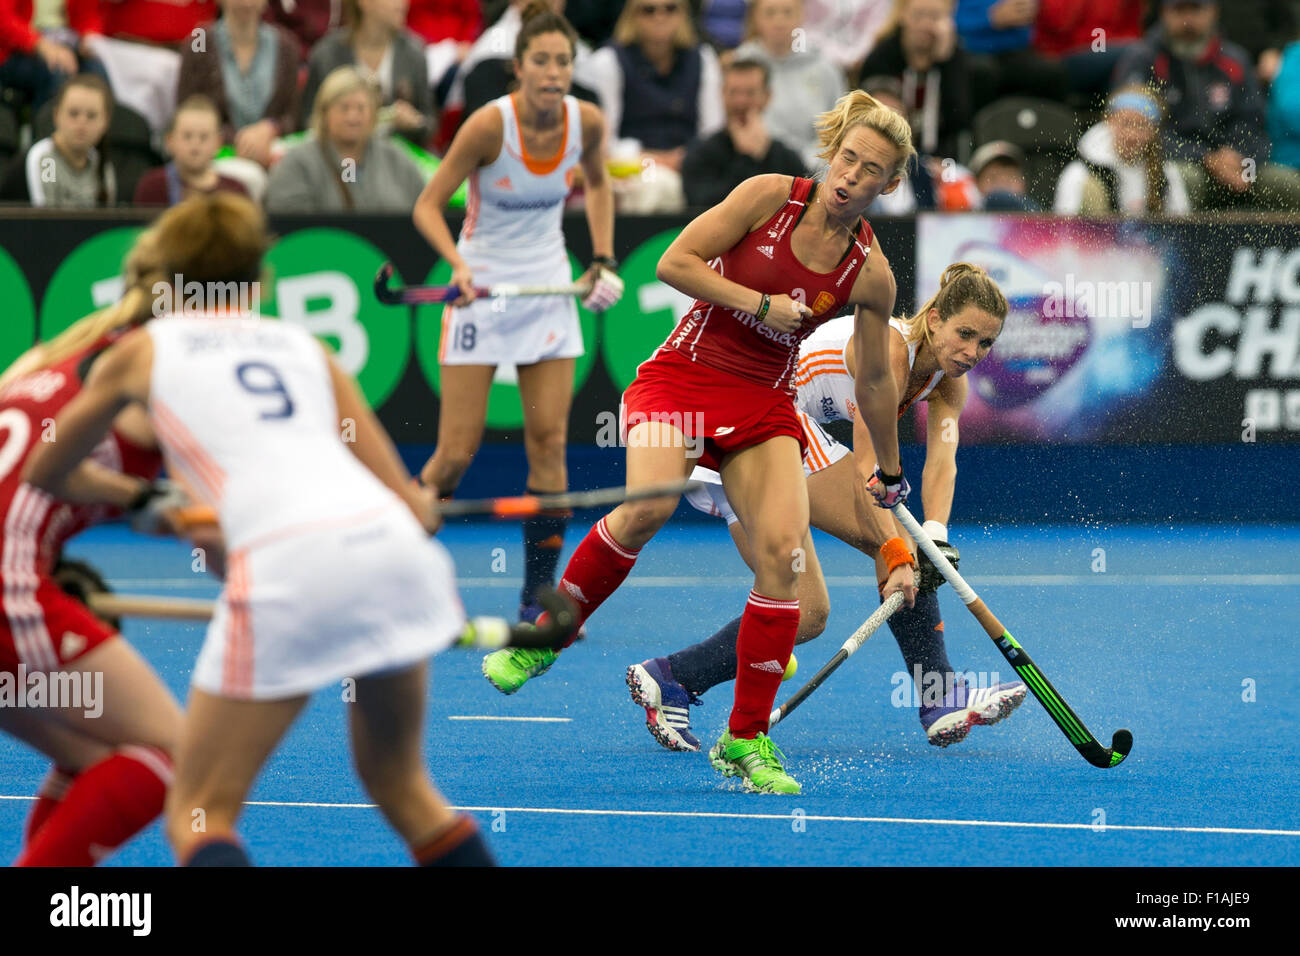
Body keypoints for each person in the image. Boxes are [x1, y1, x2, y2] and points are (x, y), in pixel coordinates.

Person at [24, 193, 492, 867]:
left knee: (199, 811)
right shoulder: (305, 347)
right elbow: (412, 504)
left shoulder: (143, 351)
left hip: (288, 564)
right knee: (405, 788)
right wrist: (421, 504)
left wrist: (143, 499)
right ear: (256, 274)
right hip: (391, 553)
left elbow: (47, 470)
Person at [481, 89, 917, 796]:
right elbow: (674, 264)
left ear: (889, 185)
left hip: (764, 405)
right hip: (683, 377)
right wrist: (760, 304)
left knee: (783, 557)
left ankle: (746, 738)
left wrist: (890, 472)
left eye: (870, 171)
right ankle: (545, 637)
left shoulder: (871, 275)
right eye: (847, 158)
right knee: (647, 508)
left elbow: (874, 381)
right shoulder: (768, 195)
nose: (850, 177)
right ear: (831, 154)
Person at [628, 263, 1027, 752]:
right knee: (896, 546)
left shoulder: (949, 382)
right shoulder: (888, 350)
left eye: (986, 343)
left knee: (806, 612)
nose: (972, 353)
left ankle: (673, 677)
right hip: (760, 420)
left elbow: (943, 462)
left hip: (752, 446)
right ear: (937, 317)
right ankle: (939, 695)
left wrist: (937, 534)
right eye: (965, 334)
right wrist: (905, 551)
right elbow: (869, 464)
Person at [412, 2, 620, 624]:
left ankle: (536, 596)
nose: (554, 72)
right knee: (454, 454)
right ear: (518, 67)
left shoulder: (586, 121)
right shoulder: (485, 126)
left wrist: (603, 260)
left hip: (549, 291)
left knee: (549, 443)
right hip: (483, 289)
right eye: (541, 61)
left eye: (563, 61)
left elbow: (601, 184)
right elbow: (427, 206)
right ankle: (393, 570)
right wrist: (457, 265)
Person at [0, 221, 184, 866]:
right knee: (170, 751)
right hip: (5, 588)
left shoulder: (52, 355)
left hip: (17, 579)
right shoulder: (157, 366)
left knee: (92, 758)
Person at [1113, 0, 1300, 211]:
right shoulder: (1143, 59)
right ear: (1163, 14)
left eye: (1196, 9)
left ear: (1214, 12)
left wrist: (1241, 158)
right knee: (1183, 181)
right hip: (1176, 162)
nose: (1188, 20)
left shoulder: (1235, 59)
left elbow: (1255, 124)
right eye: (1179, 10)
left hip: (1238, 164)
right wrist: (1205, 157)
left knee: (1288, 185)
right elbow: (1136, 130)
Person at [582, 0, 724, 178]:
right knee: (657, 187)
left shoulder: (704, 58)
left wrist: (685, 158)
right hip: (633, 167)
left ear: (683, 14)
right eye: (648, 10)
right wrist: (652, 159)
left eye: (670, 8)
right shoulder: (608, 61)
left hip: (690, 164)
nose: (660, 17)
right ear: (632, 15)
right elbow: (605, 140)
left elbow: (712, 132)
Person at [265, 65, 426, 212]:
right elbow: (287, 219)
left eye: (361, 108)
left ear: (373, 113)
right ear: (324, 113)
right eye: (344, 108)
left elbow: (424, 209)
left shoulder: (397, 160)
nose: (352, 116)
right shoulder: (297, 163)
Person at [176, 0, 302, 169]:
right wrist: (239, 139)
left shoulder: (286, 46)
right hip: (215, 158)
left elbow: (292, 115)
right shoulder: (198, 44)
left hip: (273, 155)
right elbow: (187, 110)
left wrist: (271, 128)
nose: (246, 3)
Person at [733, 0, 847, 170]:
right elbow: (730, 121)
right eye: (770, 13)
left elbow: (839, 127)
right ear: (755, 17)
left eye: (787, 12)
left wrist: (809, 162)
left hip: (813, 168)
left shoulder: (824, 67)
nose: (779, 21)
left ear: (801, 16)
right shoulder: (740, 64)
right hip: (752, 163)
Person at [302, 0, 436, 144]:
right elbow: (308, 122)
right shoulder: (326, 55)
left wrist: (413, 123)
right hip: (340, 156)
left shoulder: (414, 53)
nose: (402, 3)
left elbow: (430, 122)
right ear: (364, 2)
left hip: (395, 157)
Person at [680, 56, 806, 208]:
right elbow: (702, 205)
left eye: (750, 93)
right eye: (733, 92)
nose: (740, 101)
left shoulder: (785, 157)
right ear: (722, 94)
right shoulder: (701, 153)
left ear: (767, 97)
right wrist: (747, 158)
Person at [857, 0, 973, 161]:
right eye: (918, 15)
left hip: (941, 160)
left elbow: (959, 120)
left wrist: (945, 63)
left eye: (934, 17)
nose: (925, 24)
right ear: (903, 15)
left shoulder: (954, 59)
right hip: (889, 156)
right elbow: (876, 119)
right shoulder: (882, 57)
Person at [1054, 84, 1190, 215]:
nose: (1132, 135)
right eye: (1126, 124)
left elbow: (1179, 227)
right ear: (1109, 121)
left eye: (1141, 126)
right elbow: (1063, 230)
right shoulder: (1079, 173)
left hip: (1149, 239)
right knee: (1091, 190)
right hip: (1096, 238)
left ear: (1154, 132)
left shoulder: (1165, 173)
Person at [0, 73, 116, 207]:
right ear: (56, 115)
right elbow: (49, 221)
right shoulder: (47, 161)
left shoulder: (102, 165)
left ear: (106, 122)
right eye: (73, 113)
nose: (82, 123)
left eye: (91, 116)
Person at [133, 94, 252, 205]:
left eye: (204, 137)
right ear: (169, 141)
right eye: (187, 136)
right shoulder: (152, 186)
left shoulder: (235, 191)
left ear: (218, 143)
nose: (195, 144)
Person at [968, 139, 1039, 209]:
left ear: (1025, 183)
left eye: (1011, 177)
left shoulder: (1042, 217)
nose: (1002, 183)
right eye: (993, 178)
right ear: (975, 184)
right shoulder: (962, 219)